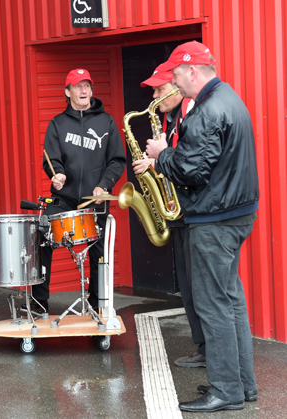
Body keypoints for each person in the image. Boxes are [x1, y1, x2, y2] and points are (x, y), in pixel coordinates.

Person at [146, 41, 259, 412]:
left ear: (192, 70)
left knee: (213, 306)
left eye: (176, 75)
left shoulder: (208, 111)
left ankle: (225, 390)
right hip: (236, 215)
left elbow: (191, 171)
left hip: (214, 220)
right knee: (231, 303)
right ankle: (242, 385)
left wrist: (161, 154)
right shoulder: (230, 98)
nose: (175, 83)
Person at [32, 68, 126, 313]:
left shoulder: (106, 122)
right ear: (68, 91)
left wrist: (104, 185)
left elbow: (117, 160)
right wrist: (57, 175)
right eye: (77, 86)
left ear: (91, 90)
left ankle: (96, 306)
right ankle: (39, 303)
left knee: (98, 254)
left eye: (87, 85)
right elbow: (50, 159)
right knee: (40, 237)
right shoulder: (57, 123)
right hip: (63, 199)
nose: (83, 90)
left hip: (94, 201)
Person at [132, 64, 206, 368]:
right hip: (179, 214)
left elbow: (189, 164)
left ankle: (209, 350)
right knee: (188, 286)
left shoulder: (191, 114)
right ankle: (202, 347)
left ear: (176, 89)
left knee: (198, 286)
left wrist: (156, 161)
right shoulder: (168, 117)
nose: (154, 95)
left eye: (160, 89)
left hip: (192, 213)